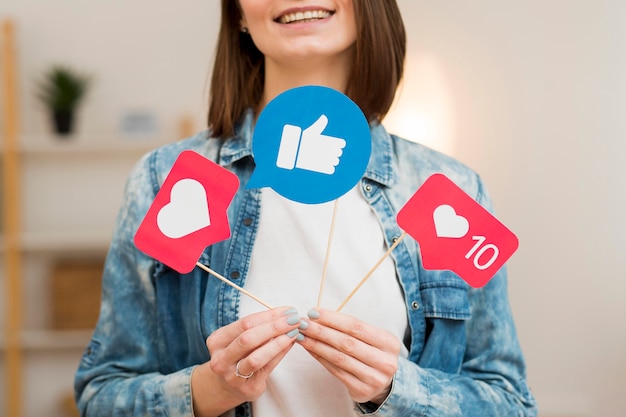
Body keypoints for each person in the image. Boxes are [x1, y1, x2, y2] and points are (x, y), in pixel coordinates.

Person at [75, 0, 538, 416]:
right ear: (237, 11)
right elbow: (102, 395)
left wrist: (396, 391)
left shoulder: (449, 188)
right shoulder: (167, 179)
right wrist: (207, 391)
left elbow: (511, 403)